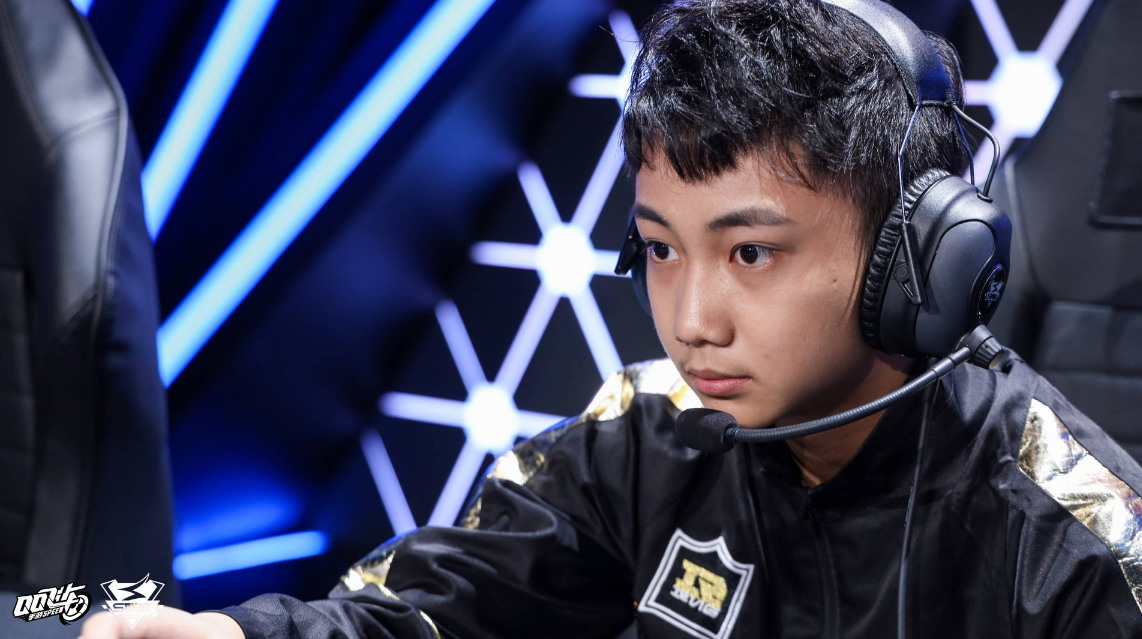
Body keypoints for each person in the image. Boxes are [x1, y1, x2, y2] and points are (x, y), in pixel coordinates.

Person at [79, 1, 1142, 638]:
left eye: (751, 253)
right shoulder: (645, 435)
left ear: (920, 261)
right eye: (661, 249)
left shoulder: (1073, 544)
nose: (692, 321)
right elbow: (426, 609)